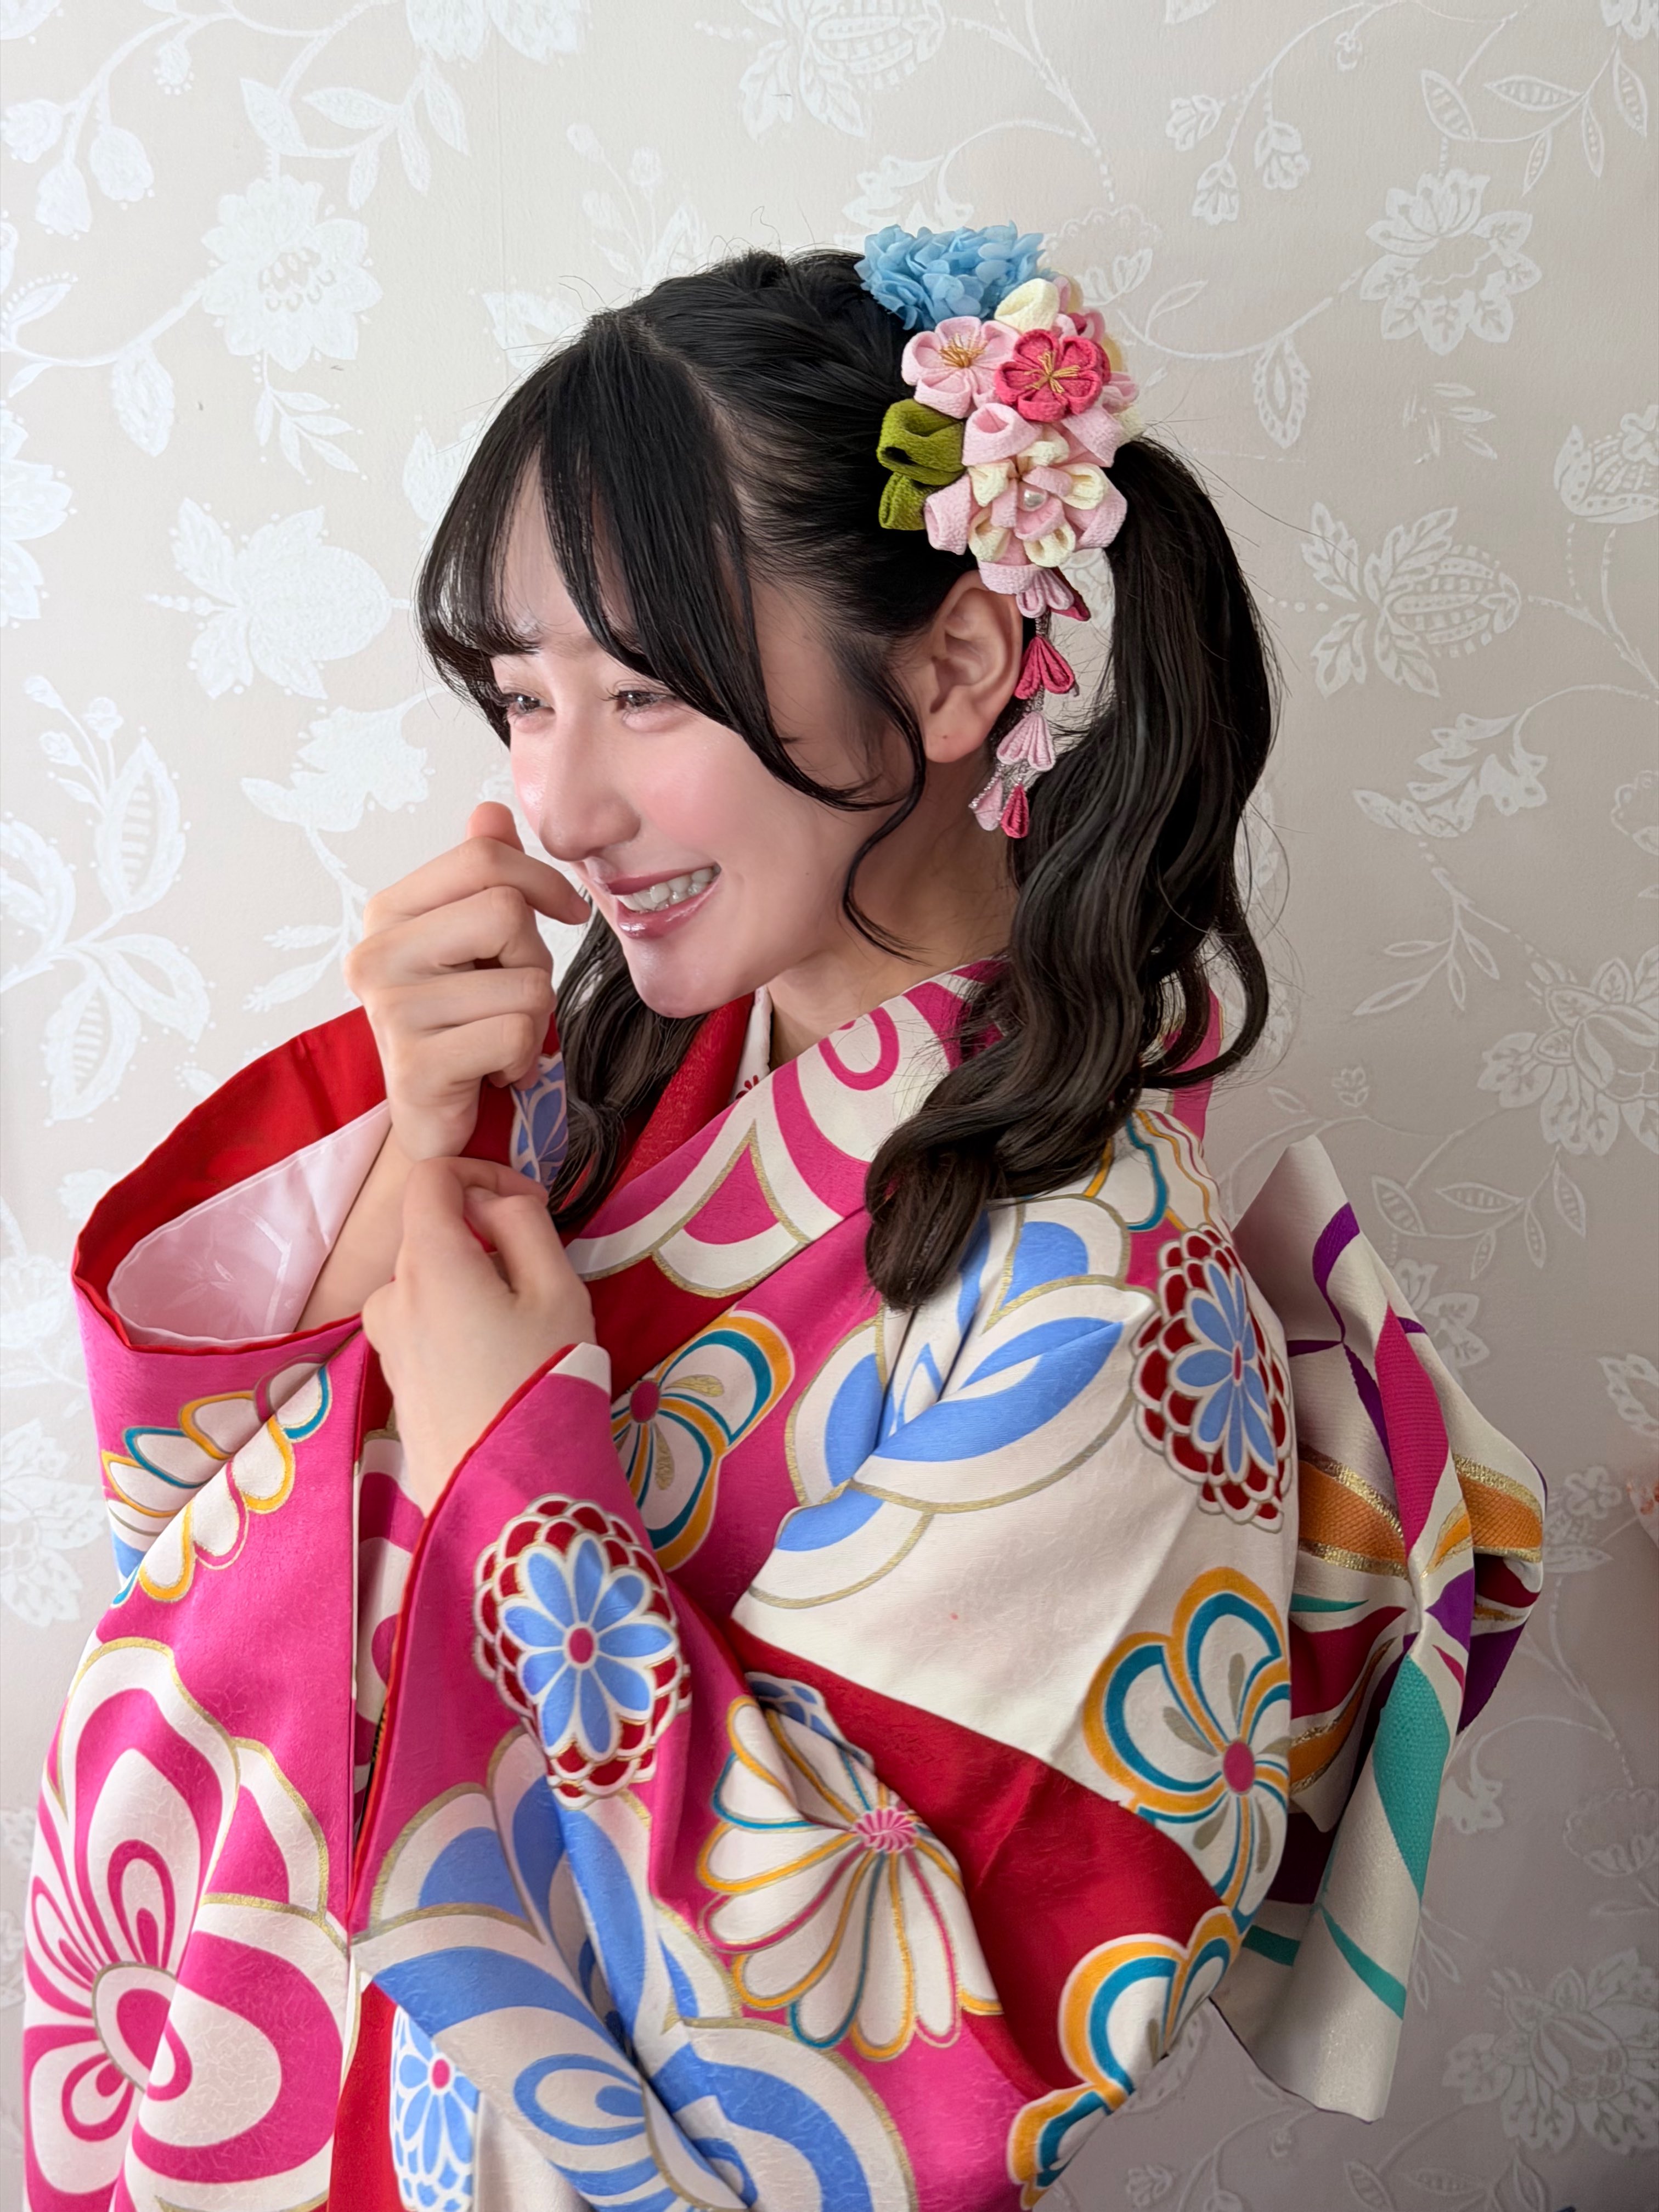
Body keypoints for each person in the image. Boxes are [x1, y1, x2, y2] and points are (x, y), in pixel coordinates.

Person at [22, 227, 1544, 2212]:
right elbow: (191, 1521)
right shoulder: (625, 1074)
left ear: (954, 669)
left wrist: (518, 1476)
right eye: (522, 700)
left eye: (643, 693)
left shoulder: (1102, 1289)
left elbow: (907, 2055)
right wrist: (420, 1135)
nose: (561, 805)